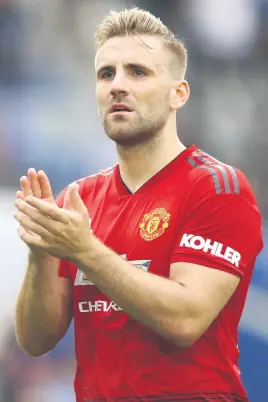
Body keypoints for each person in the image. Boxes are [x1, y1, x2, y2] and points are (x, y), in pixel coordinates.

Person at [14, 7, 263, 402]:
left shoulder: (217, 187)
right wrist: (39, 253)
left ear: (178, 94)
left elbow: (185, 319)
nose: (117, 85)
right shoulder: (79, 200)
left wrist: (84, 250)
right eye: (106, 73)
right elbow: (35, 339)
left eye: (138, 72)